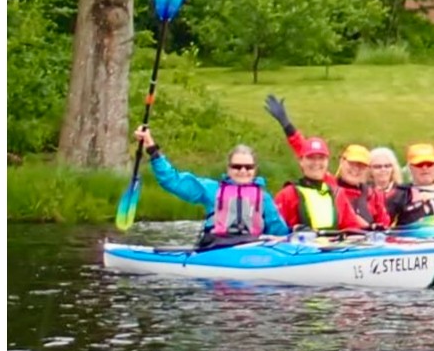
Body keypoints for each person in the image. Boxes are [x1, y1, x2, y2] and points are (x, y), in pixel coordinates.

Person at [133, 126, 291, 249]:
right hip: (217, 248)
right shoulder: (212, 190)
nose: (243, 171)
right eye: (237, 166)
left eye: (248, 167)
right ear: (229, 169)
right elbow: (173, 181)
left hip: (251, 250)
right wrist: (151, 148)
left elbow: (280, 232)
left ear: (254, 170)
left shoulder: (263, 198)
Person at [258, 94, 372, 232]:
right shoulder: (290, 194)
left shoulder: (338, 192)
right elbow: (275, 230)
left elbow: (353, 225)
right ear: (342, 162)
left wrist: (372, 230)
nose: (355, 170)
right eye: (352, 164)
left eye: (361, 166)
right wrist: (287, 126)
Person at [273, 133, 371, 234]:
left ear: (327, 161)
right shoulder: (287, 195)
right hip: (301, 248)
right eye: (311, 158)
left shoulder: (337, 194)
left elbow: (352, 228)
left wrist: (371, 229)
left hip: (334, 248)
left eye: (321, 158)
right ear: (301, 161)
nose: (316, 163)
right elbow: (275, 231)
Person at [362, 147, 401, 229]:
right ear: (369, 170)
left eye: (387, 166)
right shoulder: (362, 193)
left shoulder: (403, 193)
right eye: (377, 167)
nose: (383, 170)